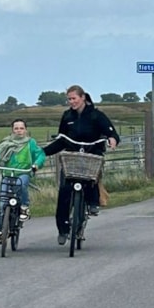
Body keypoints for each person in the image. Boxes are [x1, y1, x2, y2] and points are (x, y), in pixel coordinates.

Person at [43, 85, 119, 245]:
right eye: (69, 99)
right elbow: (62, 139)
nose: (72, 102)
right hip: (72, 158)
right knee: (64, 191)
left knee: (91, 180)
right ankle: (63, 229)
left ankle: (93, 202)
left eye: (74, 98)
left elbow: (111, 132)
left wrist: (112, 139)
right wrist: (43, 152)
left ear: (82, 97)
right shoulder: (67, 116)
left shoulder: (96, 115)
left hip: (92, 155)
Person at [0, 118, 46, 238]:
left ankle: (24, 206)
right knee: (2, 202)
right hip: (8, 173)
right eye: (16, 128)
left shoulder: (30, 143)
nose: (19, 131)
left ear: (26, 130)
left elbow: (40, 154)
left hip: (23, 172)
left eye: (21, 128)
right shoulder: (6, 142)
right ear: (12, 130)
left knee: (21, 185)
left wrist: (36, 164)